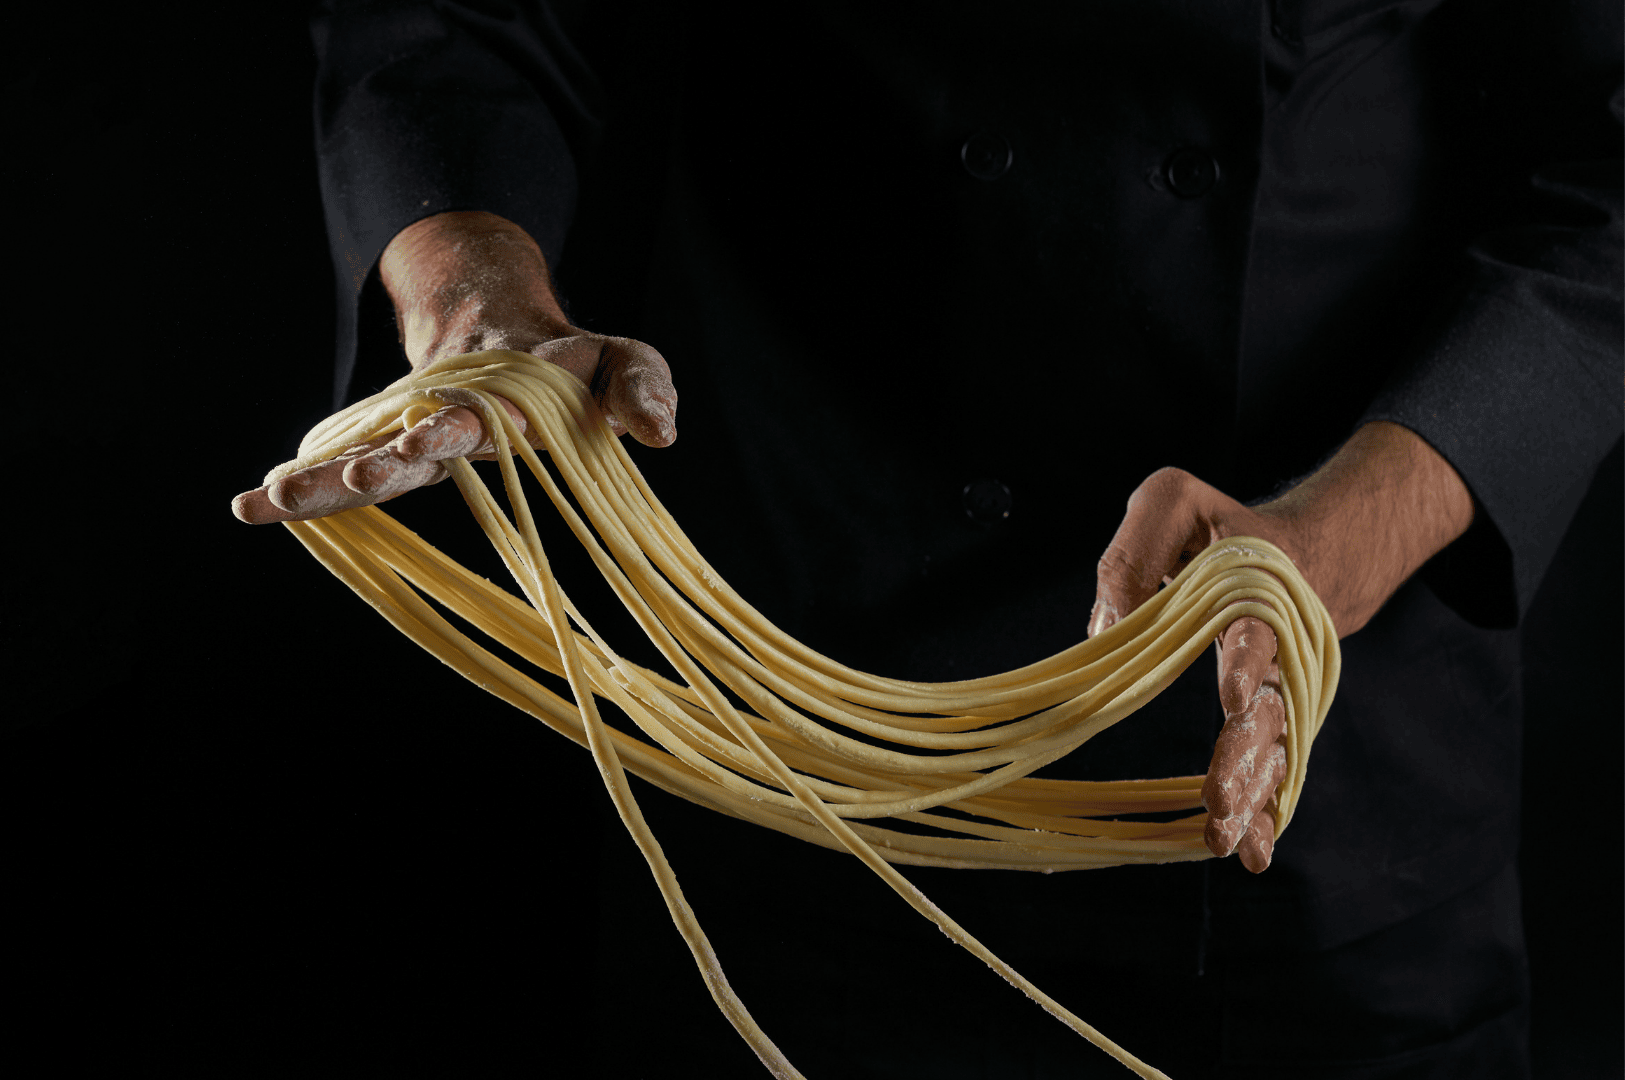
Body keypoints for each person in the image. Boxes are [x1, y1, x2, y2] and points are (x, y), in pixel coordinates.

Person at [235, 2, 1621, 1075]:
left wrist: (1336, 543)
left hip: (1318, 805)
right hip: (779, 749)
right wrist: (473, 303)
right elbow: (453, 19)